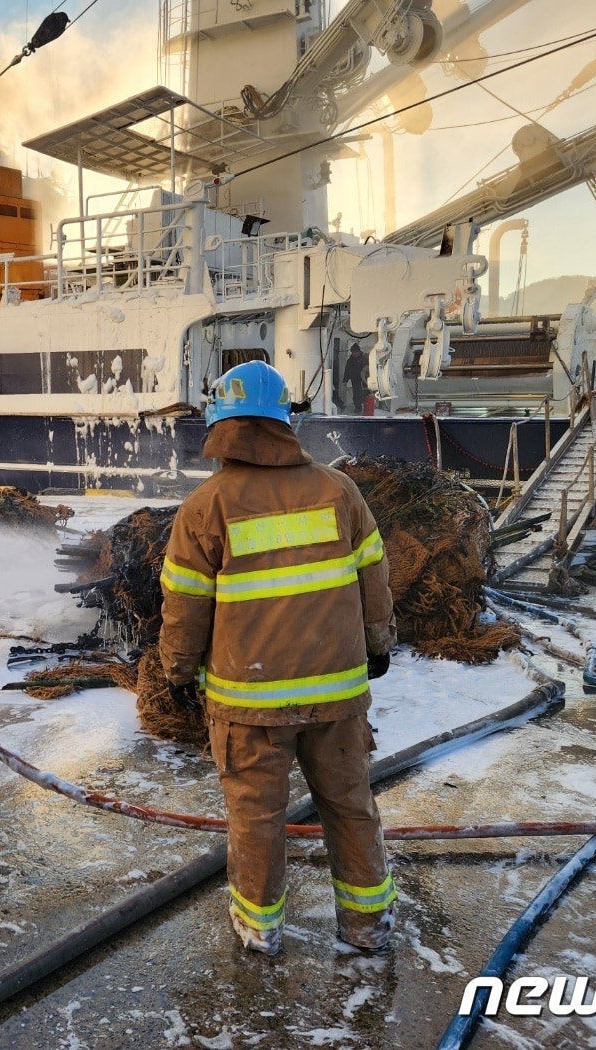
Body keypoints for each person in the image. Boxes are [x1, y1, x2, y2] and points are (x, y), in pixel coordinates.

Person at [158, 360, 397, 956]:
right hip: (338, 698)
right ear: (285, 421)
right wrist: (379, 642)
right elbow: (374, 575)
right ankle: (368, 926)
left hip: (249, 704)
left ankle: (260, 930)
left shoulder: (205, 506)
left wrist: (177, 672)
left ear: (221, 427)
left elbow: (184, 606)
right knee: (349, 805)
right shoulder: (339, 490)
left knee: (256, 819)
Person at [343, 344, 368, 413]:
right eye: (353, 352)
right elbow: (347, 371)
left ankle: (367, 409)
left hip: (365, 381)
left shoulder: (365, 358)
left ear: (359, 352)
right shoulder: (350, 361)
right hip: (355, 381)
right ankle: (358, 409)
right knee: (356, 396)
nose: (354, 354)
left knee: (365, 395)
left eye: (355, 352)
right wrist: (345, 380)